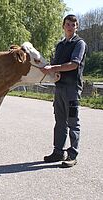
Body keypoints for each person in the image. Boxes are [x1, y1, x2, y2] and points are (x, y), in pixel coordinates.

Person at [41, 14, 87, 168]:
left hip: (72, 89)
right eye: (67, 24)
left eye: (73, 25)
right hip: (59, 88)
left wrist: (54, 68)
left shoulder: (79, 44)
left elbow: (74, 64)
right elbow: (55, 63)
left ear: (76, 27)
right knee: (60, 122)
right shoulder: (60, 45)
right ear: (63, 26)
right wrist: (53, 71)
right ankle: (58, 152)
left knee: (73, 122)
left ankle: (72, 155)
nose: (70, 27)